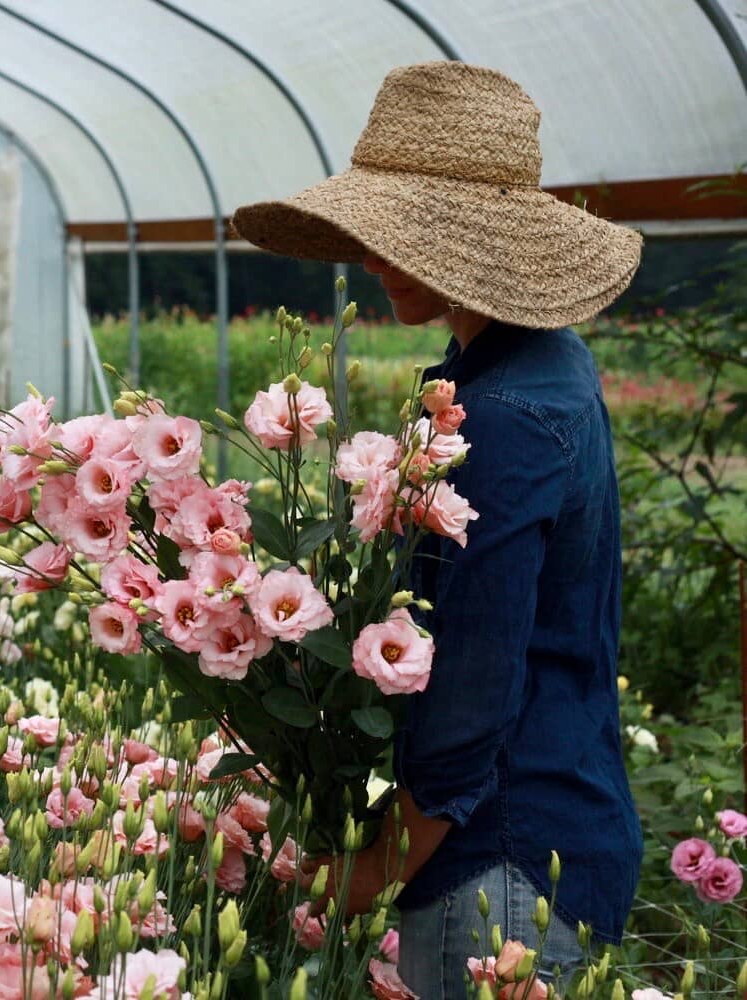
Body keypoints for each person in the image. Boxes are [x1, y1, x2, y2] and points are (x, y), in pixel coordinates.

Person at [230, 61, 644, 997]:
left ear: (477, 247)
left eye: (397, 238)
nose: (371, 261)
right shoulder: (535, 368)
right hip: (557, 824)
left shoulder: (503, 419)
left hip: (495, 860)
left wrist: (371, 869)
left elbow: (470, 689)